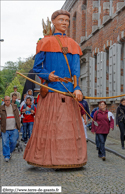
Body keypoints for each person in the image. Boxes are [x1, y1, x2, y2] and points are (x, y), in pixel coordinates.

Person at [23, 10, 87, 168]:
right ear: (54, 22)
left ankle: (70, 160)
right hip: (51, 91)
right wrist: (47, 75)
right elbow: (37, 68)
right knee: (50, 126)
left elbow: (75, 69)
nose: (65, 23)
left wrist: (77, 87)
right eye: (61, 20)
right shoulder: (45, 42)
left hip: (68, 91)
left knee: (68, 127)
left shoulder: (74, 44)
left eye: (67, 20)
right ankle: (45, 159)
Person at [0, 96, 20, 162]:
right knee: (5, 143)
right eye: (6, 100)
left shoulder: (14, 107)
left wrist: (18, 126)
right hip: (5, 129)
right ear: (4, 101)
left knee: (14, 142)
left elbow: (18, 117)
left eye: (8, 100)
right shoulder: (1, 108)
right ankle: (7, 155)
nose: (7, 101)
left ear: (10, 100)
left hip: (14, 128)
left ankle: (10, 151)